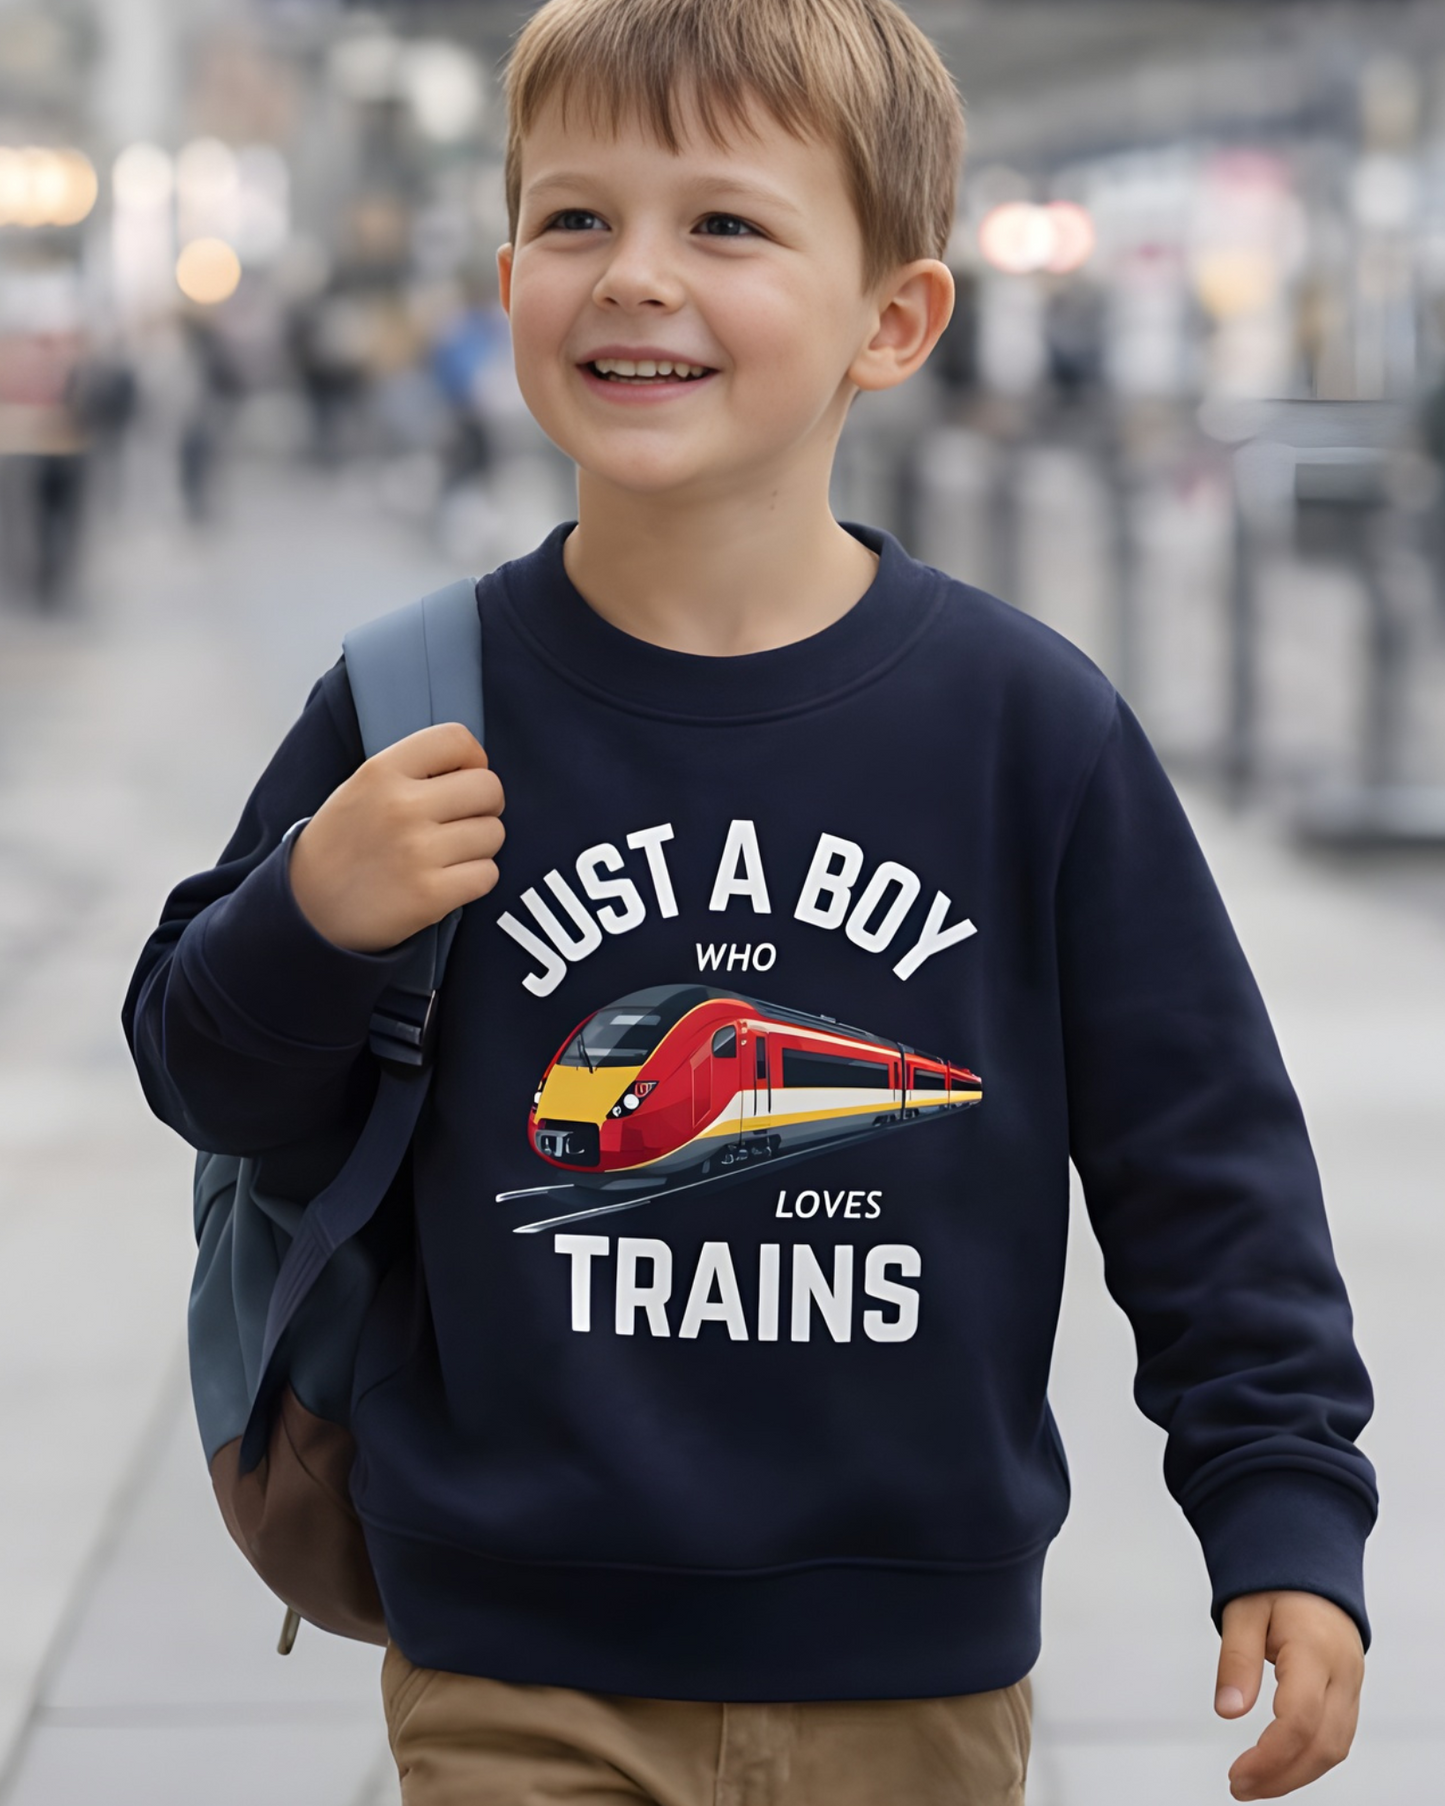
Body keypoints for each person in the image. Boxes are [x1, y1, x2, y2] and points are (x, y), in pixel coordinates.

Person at [123, 1, 1375, 1800]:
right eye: (575, 220)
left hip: (916, 1667)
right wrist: (307, 920)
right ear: (505, 278)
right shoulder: (414, 697)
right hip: (509, 1645)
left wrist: (1284, 1505)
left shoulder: (1027, 730)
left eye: (723, 223)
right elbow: (205, 1074)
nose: (635, 275)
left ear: (895, 318)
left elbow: (1209, 1166)